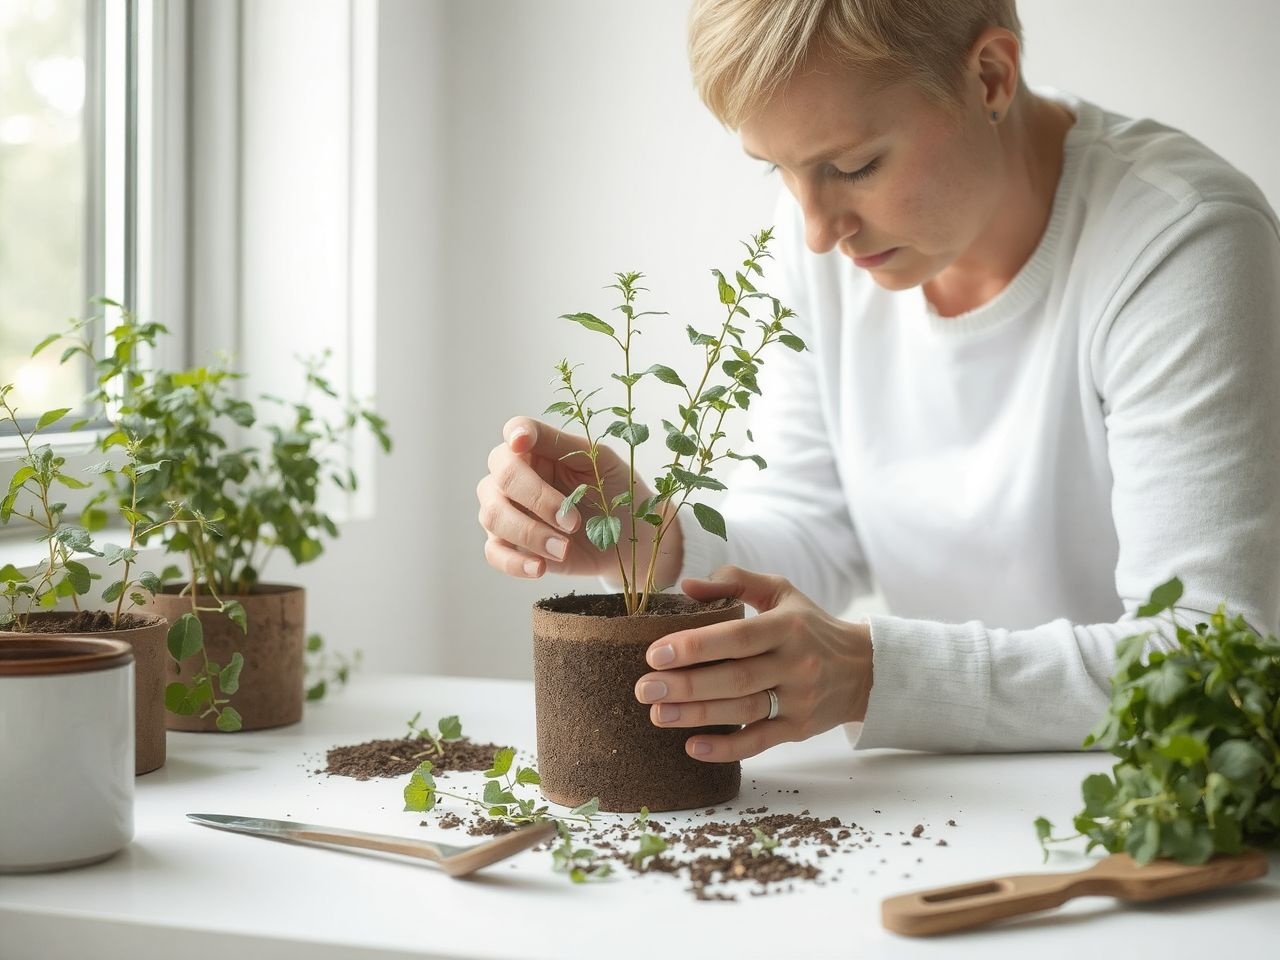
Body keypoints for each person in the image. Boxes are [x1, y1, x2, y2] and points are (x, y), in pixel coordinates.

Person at [475, 0, 1280, 762]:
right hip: (942, 797)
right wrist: (658, 542)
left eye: (854, 166)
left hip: (1159, 807)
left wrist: (871, 672)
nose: (820, 231)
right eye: (778, 172)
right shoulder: (834, 244)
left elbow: (1212, 656)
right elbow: (819, 528)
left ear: (992, 77)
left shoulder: (1181, 244)